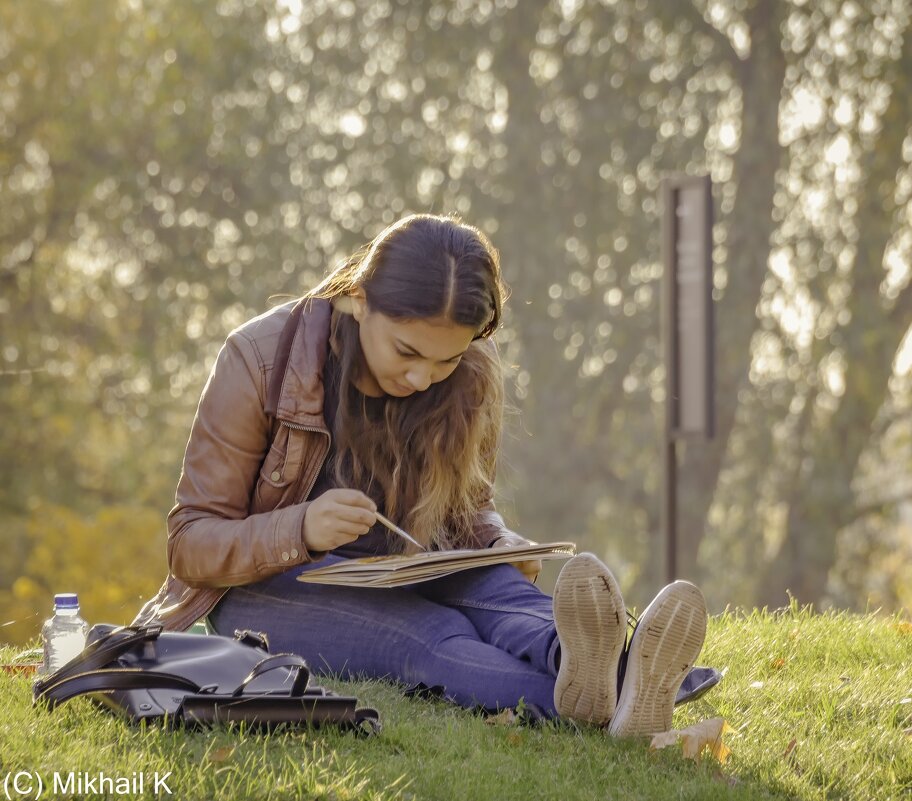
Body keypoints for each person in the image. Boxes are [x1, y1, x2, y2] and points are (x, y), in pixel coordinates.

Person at [132, 213, 708, 735]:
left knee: (503, 596)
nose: (421, 378)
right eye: (406, 351)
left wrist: (499, 544)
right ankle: (623, 698)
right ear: (359, 300)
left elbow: (467, 512)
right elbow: (190, 544)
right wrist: (301, 527)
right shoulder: (259, 359)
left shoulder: (468, 376)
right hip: (268, 591)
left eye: (446, 359)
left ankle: (593, 664)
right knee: (428, 636)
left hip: (407, 566)